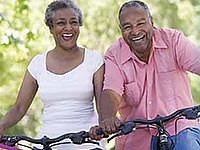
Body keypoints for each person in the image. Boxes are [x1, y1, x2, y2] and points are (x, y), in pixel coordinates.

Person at [90, 1, 200, 150]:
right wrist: (108, 118)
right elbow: (111, 91)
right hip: (137, 135)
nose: (135, 31)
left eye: (141, 23)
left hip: (180, 129)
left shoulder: (173, 40)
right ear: (120, 29)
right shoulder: (114, 54)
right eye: (127, 27)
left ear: (151, 22)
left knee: (187, 143)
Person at [0, 0, 105, 149]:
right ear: (51, 28)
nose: (68, 28)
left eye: (73, 22)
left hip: (86, 142)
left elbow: (103, 107)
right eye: (61, 23)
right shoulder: (38, 63)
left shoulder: (94, 60)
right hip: (48, 142)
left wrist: (102, 127)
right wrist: (2, 125)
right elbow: (19, 108)